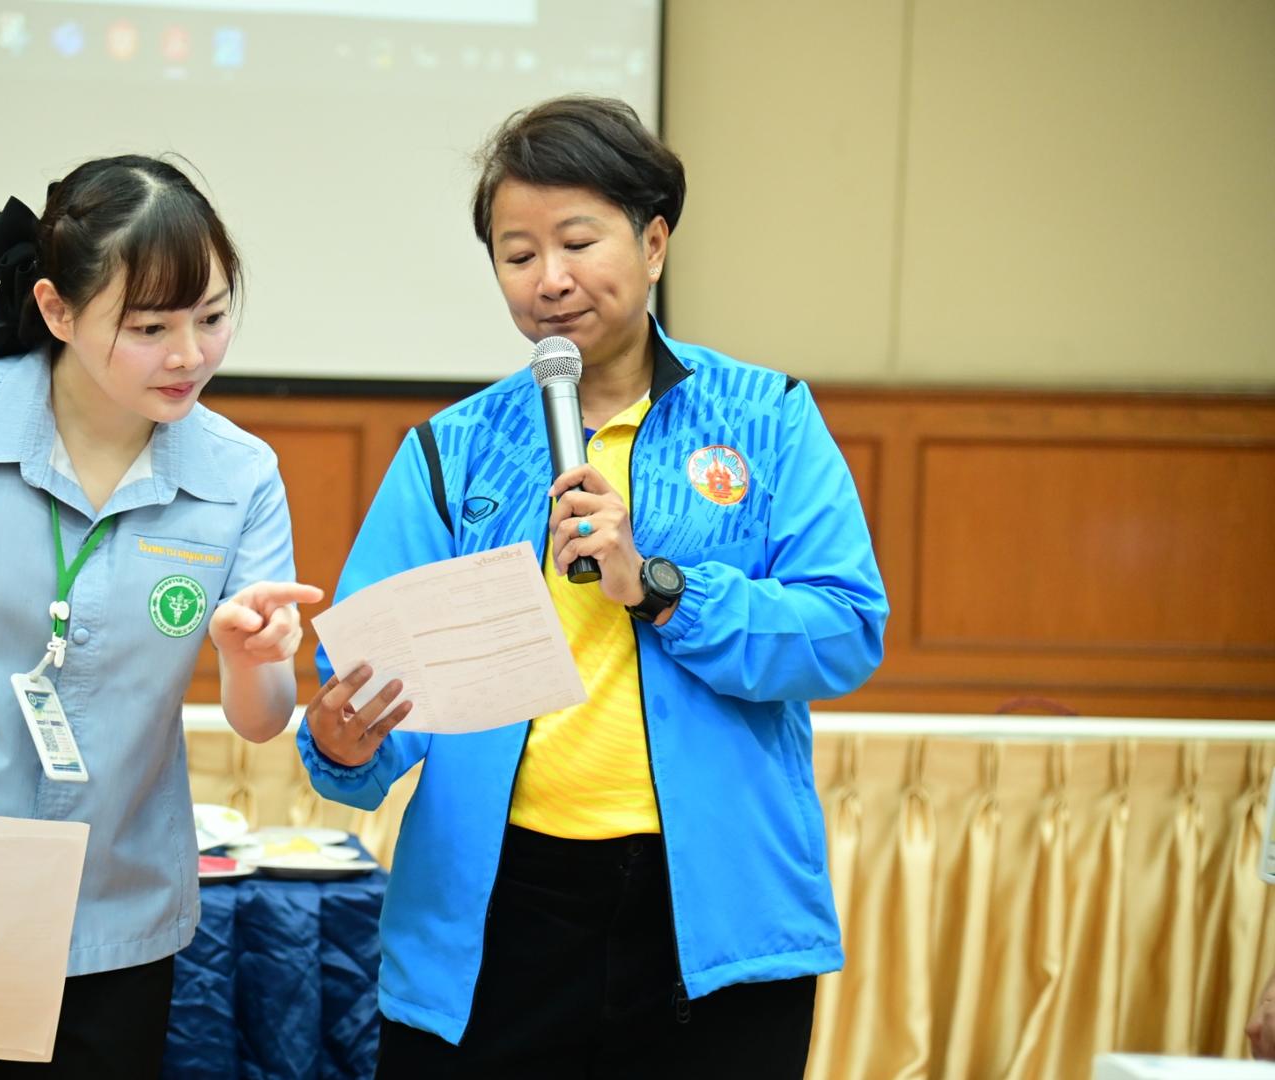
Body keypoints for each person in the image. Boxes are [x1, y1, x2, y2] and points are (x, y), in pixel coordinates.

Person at [298, 97, 888, 1078]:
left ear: (653, 243)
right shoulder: (452, 450)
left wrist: (658, 586)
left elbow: (843, 630)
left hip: (708, 910)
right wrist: (343, 741)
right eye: (517, 254)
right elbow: (374, 692)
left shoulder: (768, 416)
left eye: (577, 242)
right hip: (497, 908)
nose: (549, 279)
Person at [0, 154, 318, 1076]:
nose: (189, 355)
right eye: (149, 327)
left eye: (211, 316)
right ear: (57, 310)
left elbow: (263, 718)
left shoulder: (240, 477)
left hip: (109, 918)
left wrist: (249, 658)